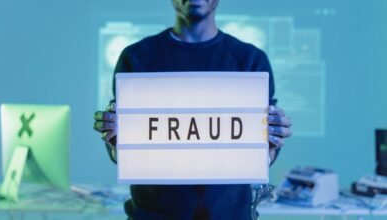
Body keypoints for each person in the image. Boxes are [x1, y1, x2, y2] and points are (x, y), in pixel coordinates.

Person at [94, 0, 292, 219]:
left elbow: (263, 155)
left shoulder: (250, 60)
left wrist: (273, 140)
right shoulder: (137, 57)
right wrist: (115, 141)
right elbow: (123, 153)